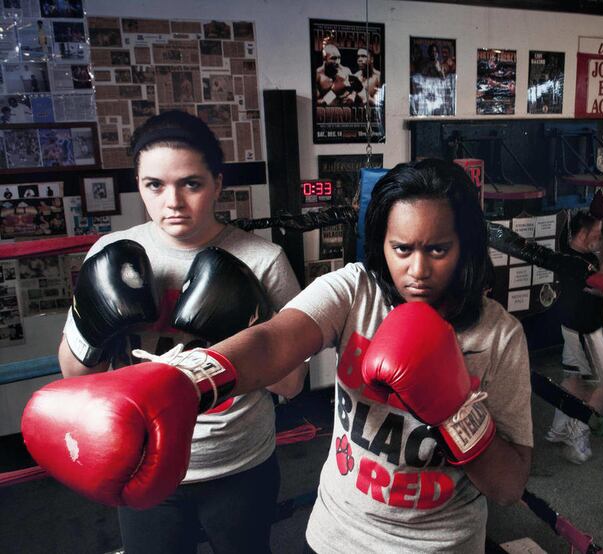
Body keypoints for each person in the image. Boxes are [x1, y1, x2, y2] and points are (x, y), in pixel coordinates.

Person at [28, 159, 540, 553]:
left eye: (438, 249)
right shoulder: (355, 290)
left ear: (466, 246)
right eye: (402, 248)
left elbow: (508, 485)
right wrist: (189, 380)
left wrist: (455, 410)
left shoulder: (501, 337)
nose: (418, 270)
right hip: (336, 536)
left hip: (443, 546)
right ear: (381, 245)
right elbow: (276, 341)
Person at [55, 110, 305, 554]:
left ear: (217, 184)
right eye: (155, 185)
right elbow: (74, 374)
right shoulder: (111, 254)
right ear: (140, 186)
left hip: (237, 463)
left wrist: (247, 327)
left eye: (190, 183)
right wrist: (96, 323)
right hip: (140, 461)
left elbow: (292, 383)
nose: (173, 201)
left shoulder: (263, 259)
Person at [546, 205, 603, 464]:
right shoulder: (581, 263)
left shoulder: (573, 252)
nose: (600, 236)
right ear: (583, 232)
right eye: (597, 231)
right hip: (584, 331)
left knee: (573, 380)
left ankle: (558, 429)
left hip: (573, 326)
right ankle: (578, 429)